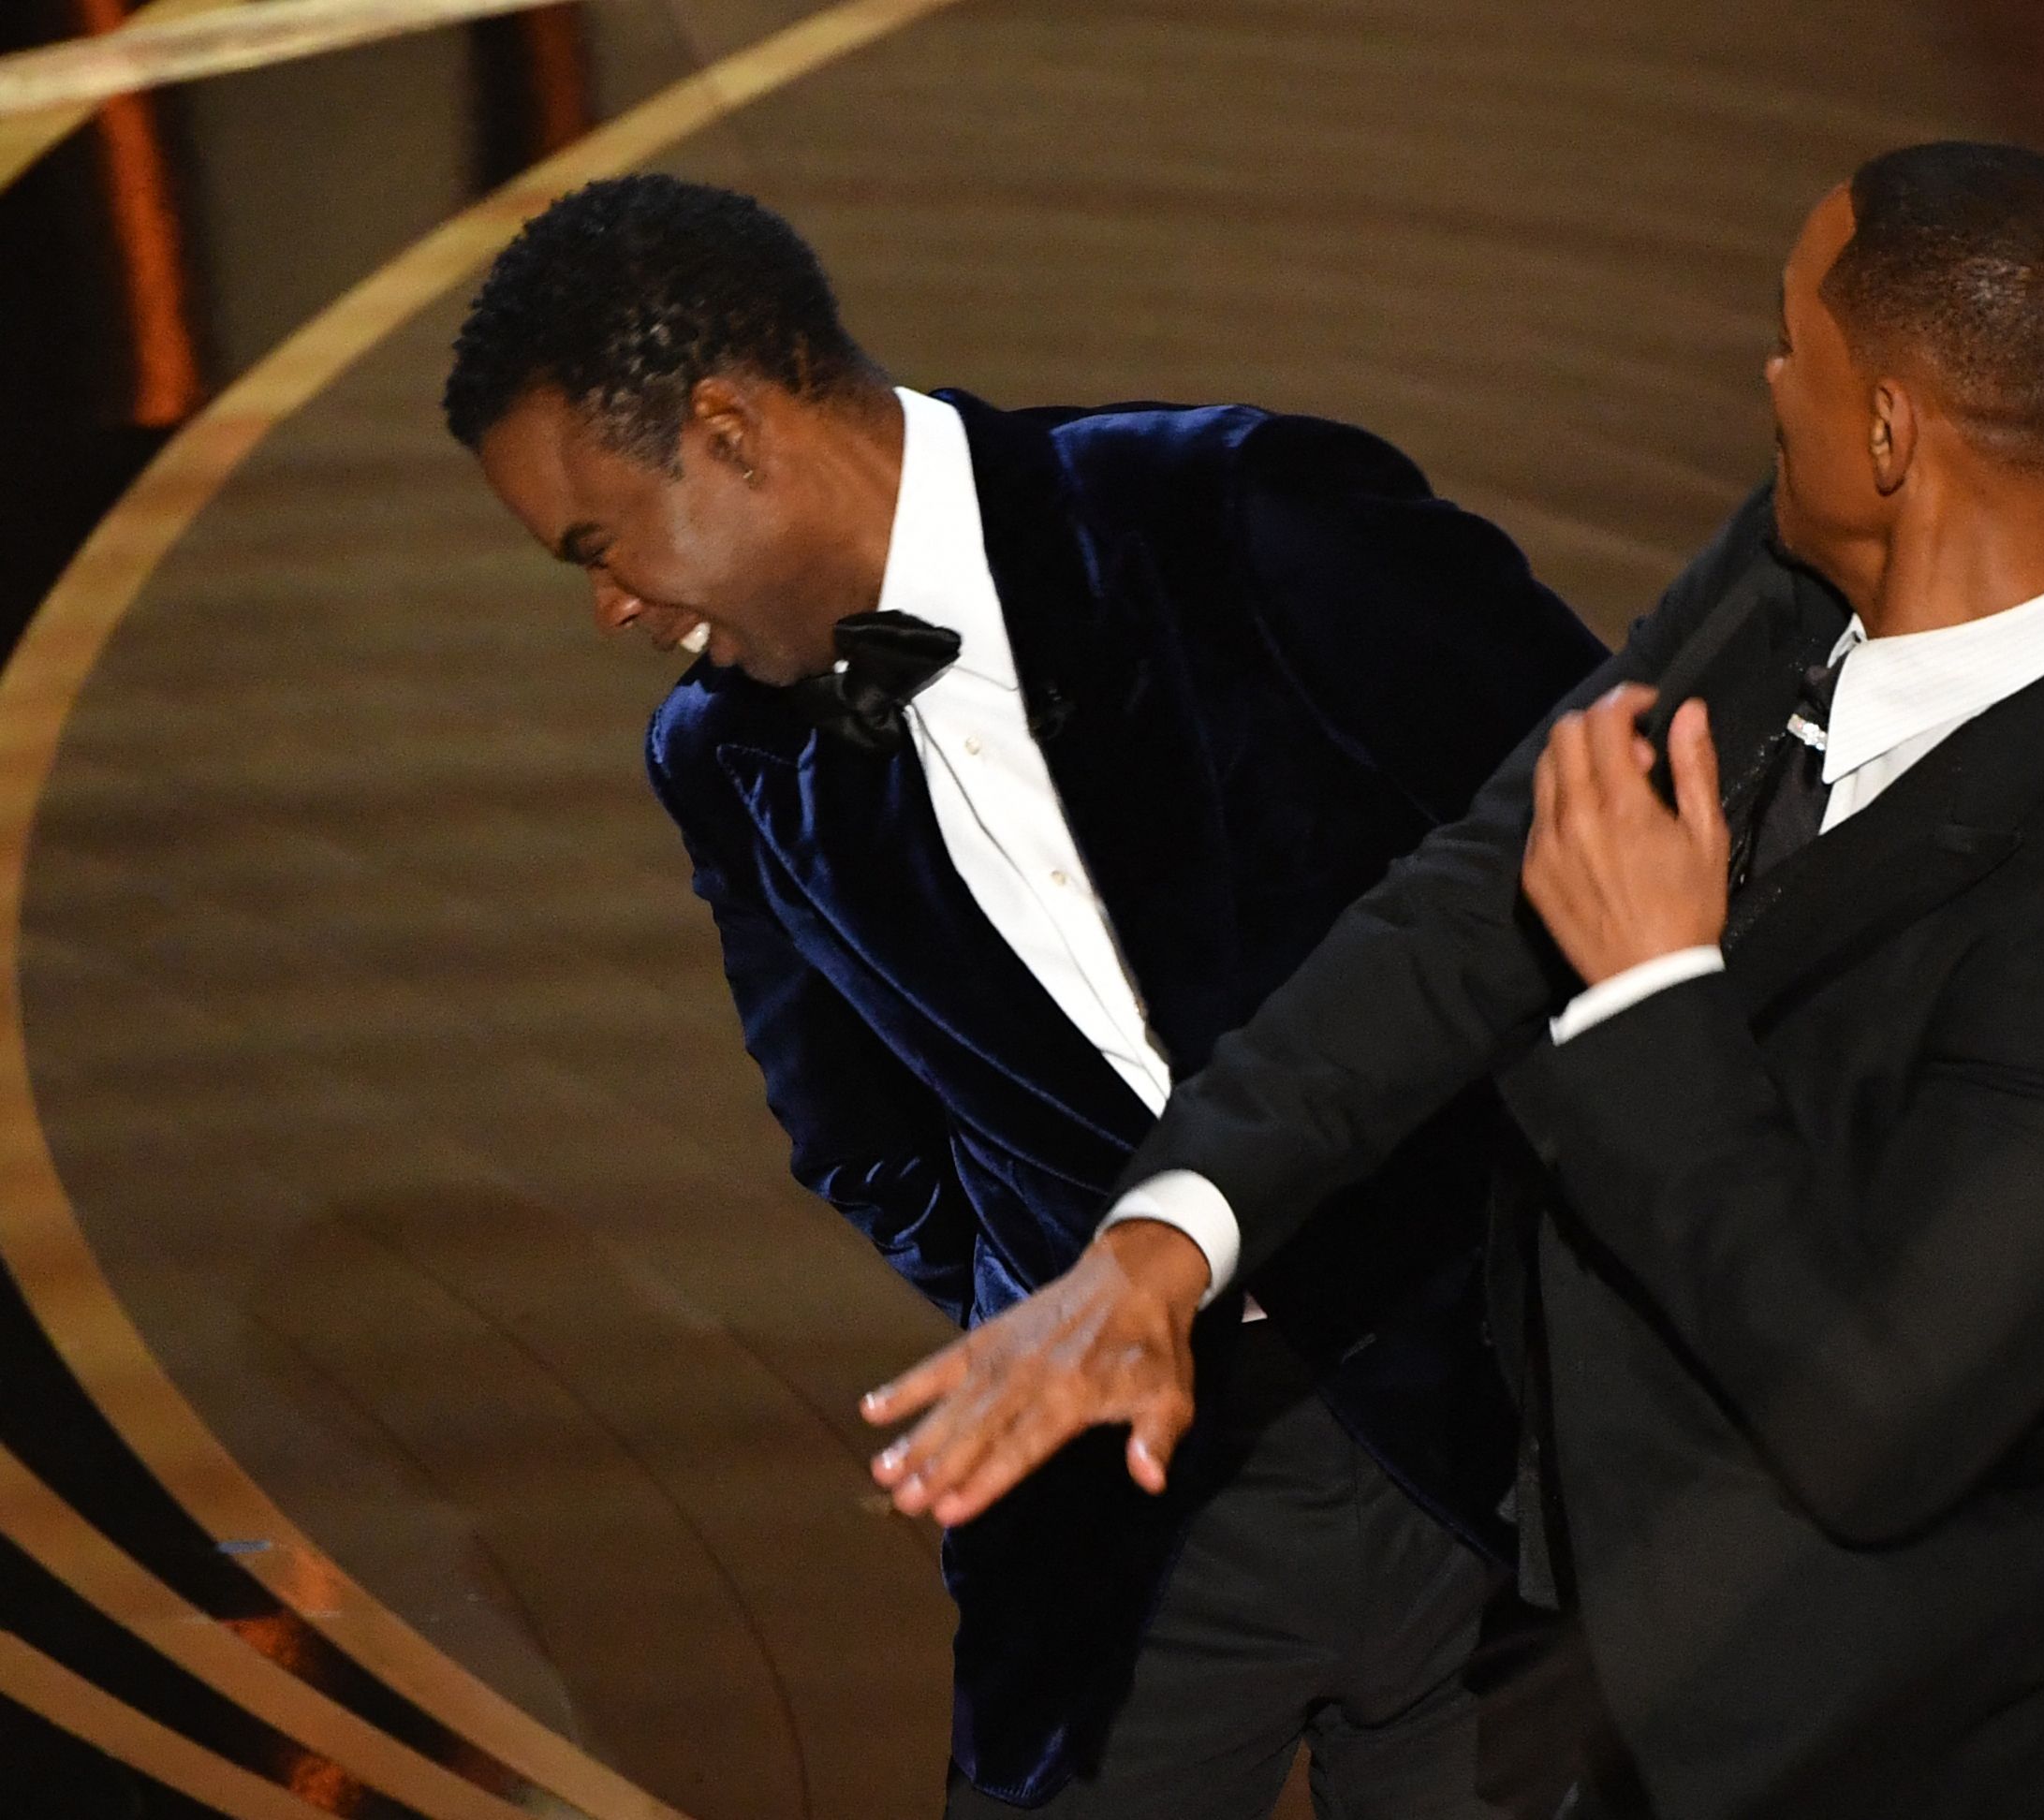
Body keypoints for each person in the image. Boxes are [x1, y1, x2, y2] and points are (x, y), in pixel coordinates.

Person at [863, 144, 2044, 1819]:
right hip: (1649, 1636)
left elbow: (1875, 1422)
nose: (1762, 382)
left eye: (1787, 346)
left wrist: (1655, 989)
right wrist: (1173, 1235)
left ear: (1892, 431)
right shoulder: (1802, 571)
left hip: (1964, 1727)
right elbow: (1478, 898)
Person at [441, 174, 1611, 1817]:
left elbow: (1621, 845)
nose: (608, 607)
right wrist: (1052, 1295)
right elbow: (859, 1135)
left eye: (600, 542)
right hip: (1117, 1535)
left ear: (727, 428)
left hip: (1492, 1465)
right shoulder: (726, 762)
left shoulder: (1244, 515)